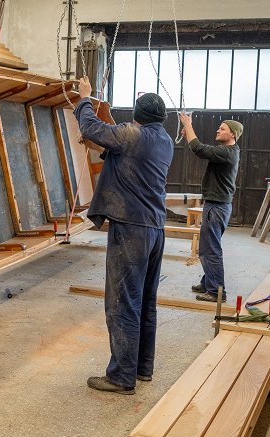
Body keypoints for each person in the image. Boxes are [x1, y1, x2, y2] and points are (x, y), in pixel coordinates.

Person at [74, 78, 173, 395]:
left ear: (137, 115)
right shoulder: (163, 139)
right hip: (155, 228)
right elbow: (128, 156)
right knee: (145, 301)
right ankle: (141, 368)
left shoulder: (133, 134)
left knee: (122, 303)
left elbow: (91, 127)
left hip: (131, 229)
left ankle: (121, 376)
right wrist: (102, 146)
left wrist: (85, 98)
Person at [178, 113, 242, 303]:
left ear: (232, 135)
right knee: (209, 246)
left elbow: (198, 148)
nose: (218, 130)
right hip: (219, 206)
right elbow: (199, 147)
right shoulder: (229, 150)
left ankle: (215, 292)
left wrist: (188, 125)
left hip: (216, 208)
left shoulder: (226, 152)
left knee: (209, 249)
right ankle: (208, 282)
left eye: (222, 129)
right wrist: (189, 131)